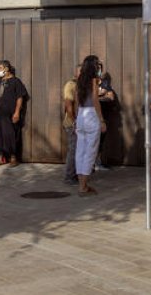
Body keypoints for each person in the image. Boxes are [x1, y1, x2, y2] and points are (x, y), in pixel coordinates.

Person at [73, 55, 106, 196]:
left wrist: (75, 118)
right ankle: (83, 186)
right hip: (91, 115)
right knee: (90, 151)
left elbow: (76, 99)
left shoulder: (79, 80)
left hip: (80, 114)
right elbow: (95, 99)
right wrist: (102, 119)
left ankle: (82, 183)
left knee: (80, 150)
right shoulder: (94, 80)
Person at [0, 60, 27, 167]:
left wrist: (17, 112)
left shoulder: (15, 81)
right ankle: (0, 157)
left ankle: (13, 157)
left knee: (11, 134)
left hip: (10, 114)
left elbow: (20, 98)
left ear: (6, 69)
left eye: (0, 68)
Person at [61, 63, 81, 185]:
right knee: (73, 150)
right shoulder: (71, 85)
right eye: (80, 71)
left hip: (81, 124)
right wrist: (74, 122)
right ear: (76, 73)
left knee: (78, 150)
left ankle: (77, 174)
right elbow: (68, 105)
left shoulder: (83, 86)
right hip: (72, 124)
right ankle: (69, 177)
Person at [95, 63, 116, 171]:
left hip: (102, 115)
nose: (98, 71)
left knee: (100, 140)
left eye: (99, 69)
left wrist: (97, 98)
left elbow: (111, 97)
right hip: (90, 117)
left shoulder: (105, 83)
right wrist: (102, 94)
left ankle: (98, 163)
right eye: (96, 69)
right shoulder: (87, 82)